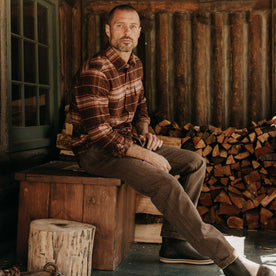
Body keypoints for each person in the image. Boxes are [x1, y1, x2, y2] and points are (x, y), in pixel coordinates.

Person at [70, 5, 275, 276]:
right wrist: (145, 155)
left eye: (132, 26)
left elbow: (140, 105)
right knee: (163, 181)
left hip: (126, 142)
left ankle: (175, 242)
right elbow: (99, 132)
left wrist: (144, 130)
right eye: (120, 26)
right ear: (108, 30)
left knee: (195, 162)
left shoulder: (135, 64)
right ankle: (230, 260)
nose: (126, 32)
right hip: (97, 152)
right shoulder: (96, 70)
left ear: (140, 31)